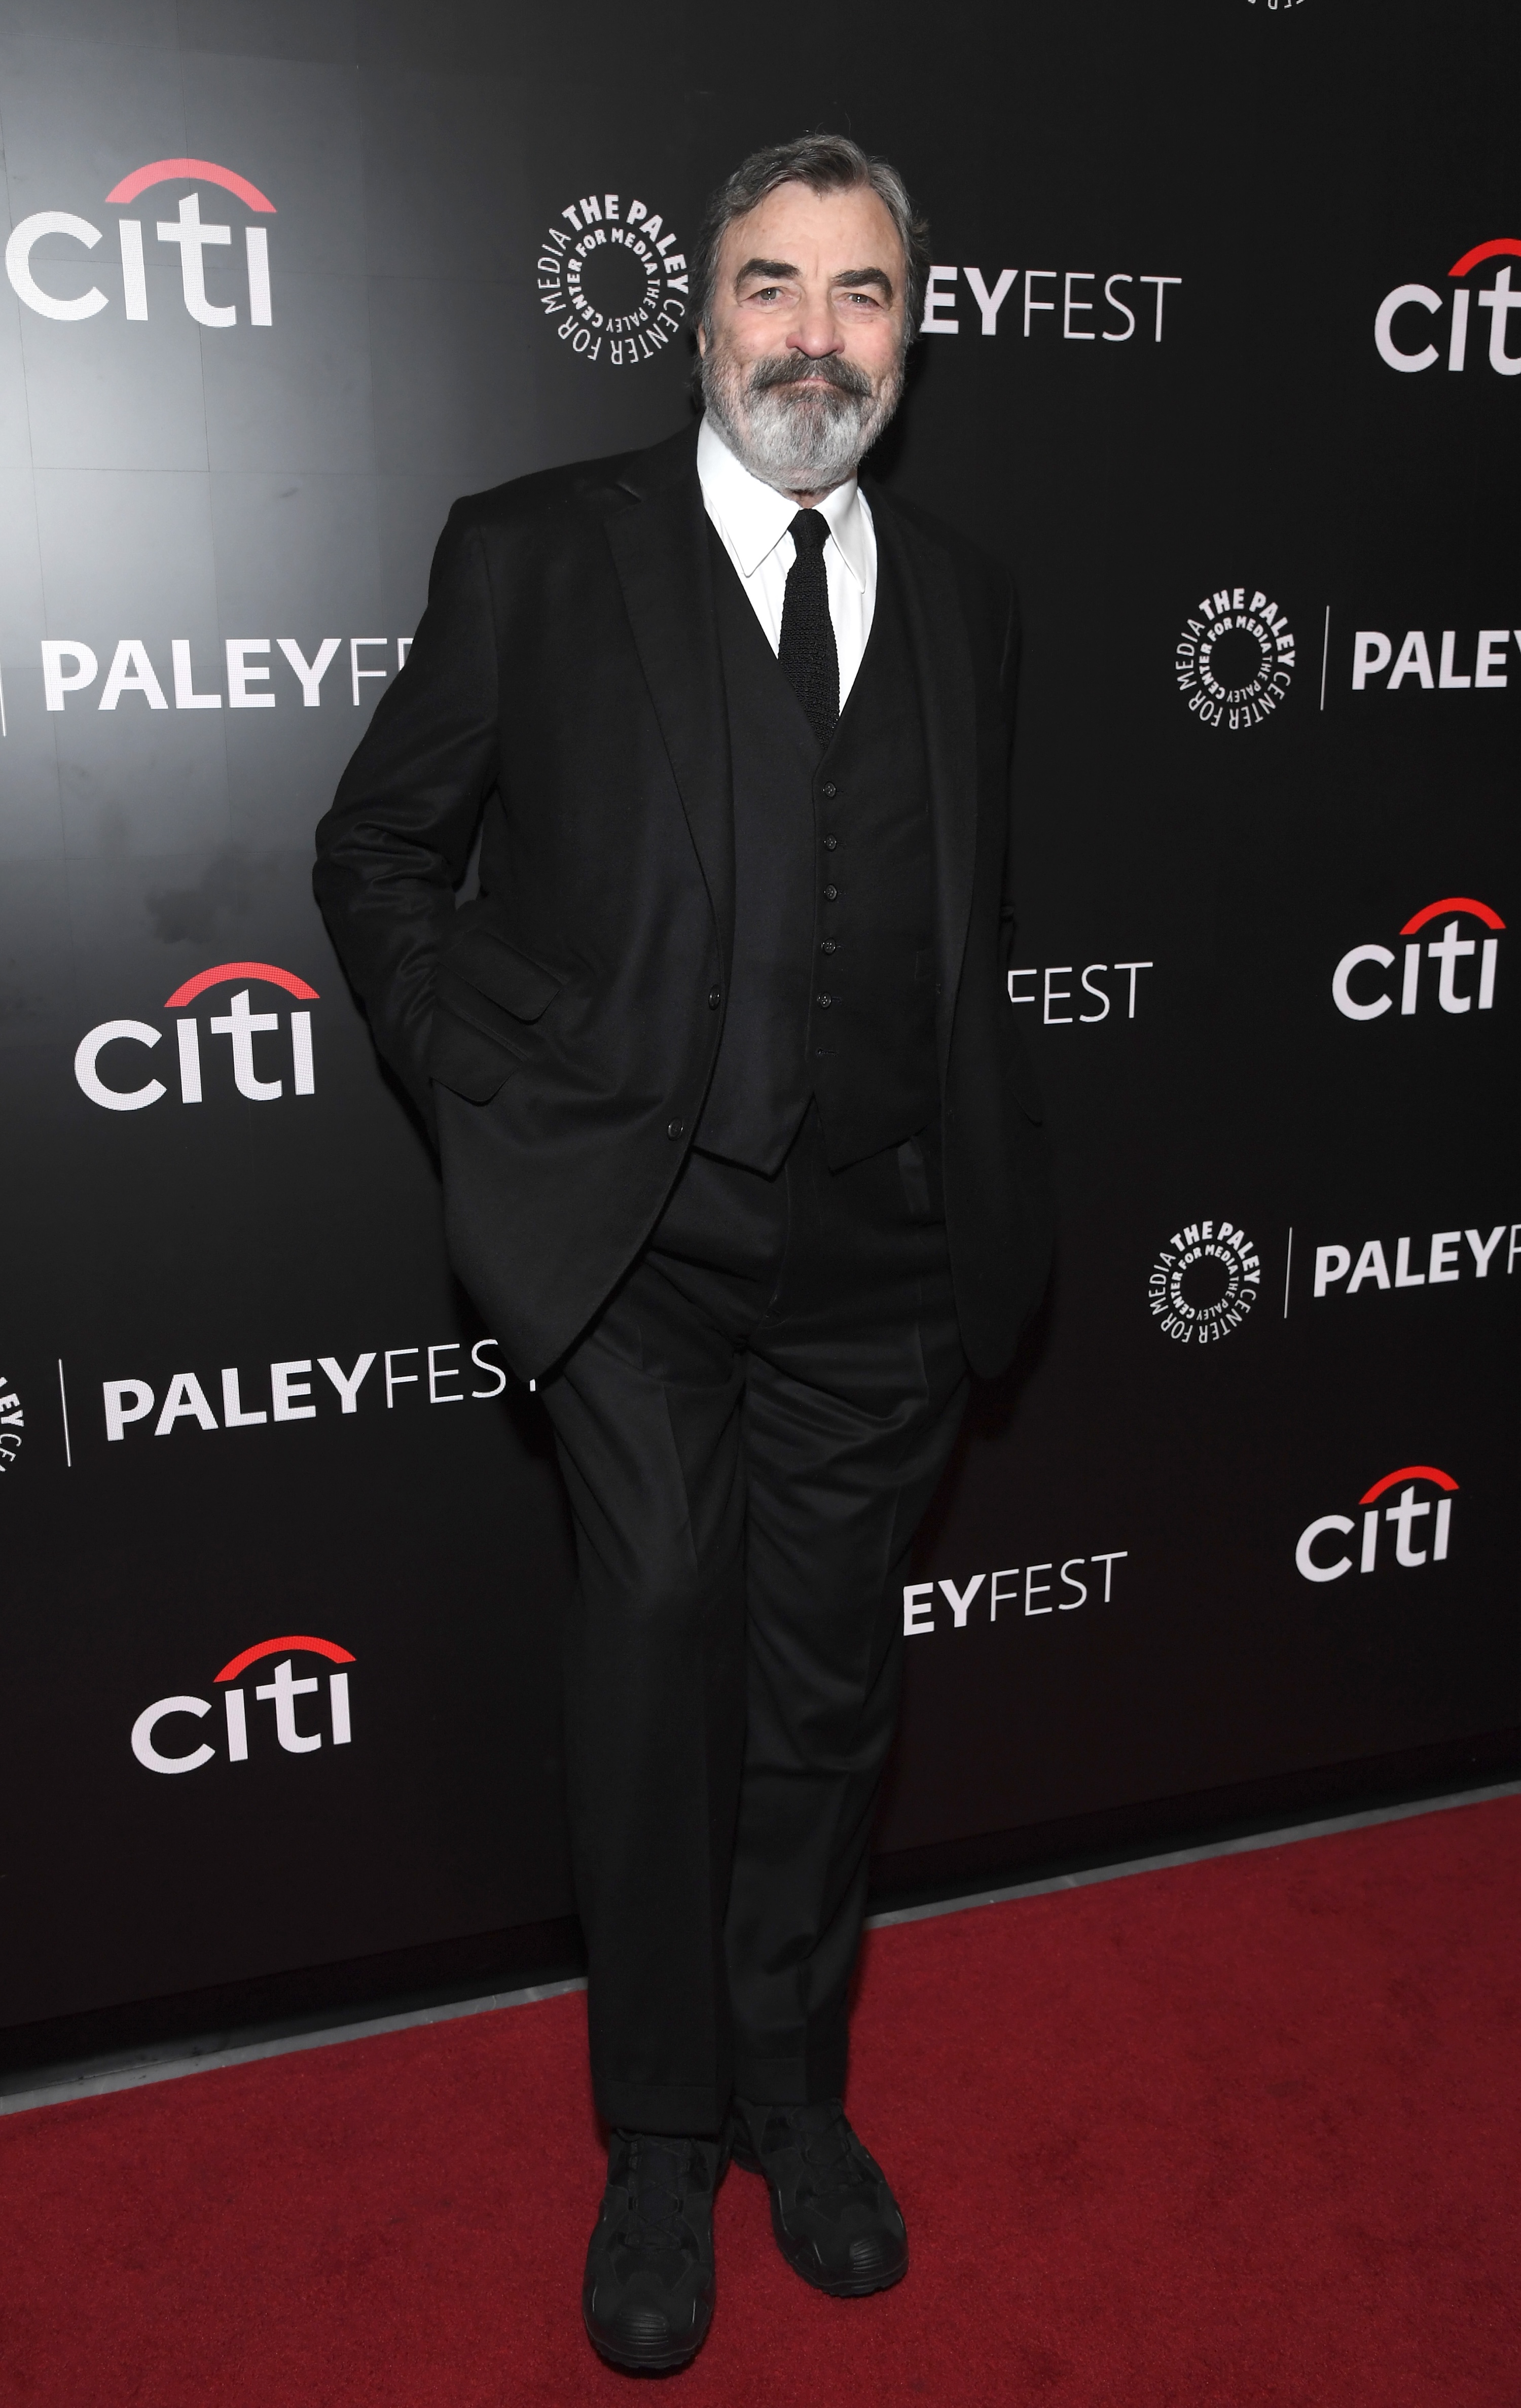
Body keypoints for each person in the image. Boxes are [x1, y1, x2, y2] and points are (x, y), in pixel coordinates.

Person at [313, 132, 1050, 2372]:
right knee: (653, 1661)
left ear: (905, 345)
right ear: (699, 311)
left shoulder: (967, 595)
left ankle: (790, 2096)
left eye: (861, 296)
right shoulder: (540, 553)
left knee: (826, 1701)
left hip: (887, 1264)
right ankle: (657, 2135)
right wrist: (490, 1089)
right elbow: (379, 851)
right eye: (771, 285)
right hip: (634, 1252)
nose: (812, 335)